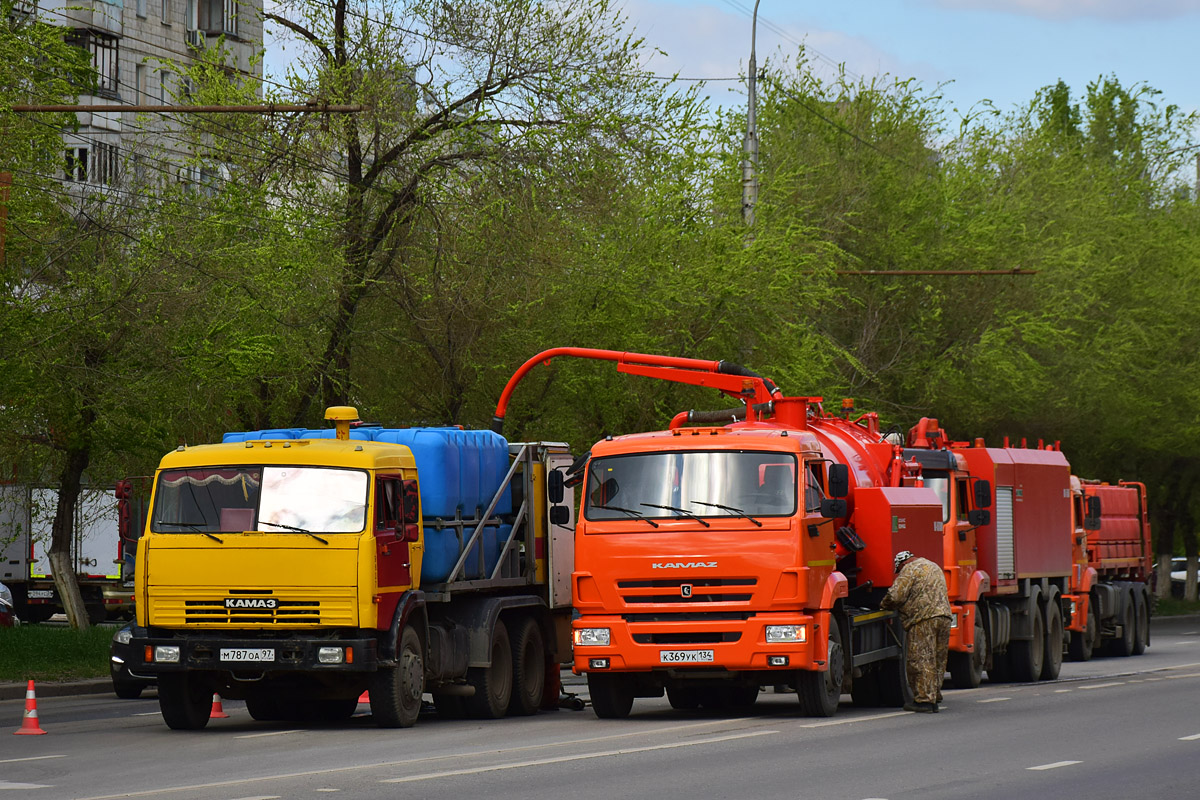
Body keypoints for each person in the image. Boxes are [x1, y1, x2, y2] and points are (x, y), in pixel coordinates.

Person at [880, 550, 952, 713]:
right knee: (937, 659)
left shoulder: (910, 569)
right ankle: (934, 696)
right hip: (945, 617)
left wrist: (884, 605)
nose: (899, 573)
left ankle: (924, 701)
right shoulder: (933, 566)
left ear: (903, 563)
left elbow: (895, 595)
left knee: (921, 659)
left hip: (923, 619)